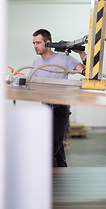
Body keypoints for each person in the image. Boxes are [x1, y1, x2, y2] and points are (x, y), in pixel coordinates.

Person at [32, 29, 86, 167]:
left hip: (59, 109)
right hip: (44, 108)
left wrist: (81, 53)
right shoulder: (36, 63)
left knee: (50, 145)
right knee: (57, 146)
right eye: (34, 43)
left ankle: (50, 180)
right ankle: (62, 173)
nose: (35, 46)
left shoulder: (64, 59)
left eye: (38, 42)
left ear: (48, 43)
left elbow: (87, 72)